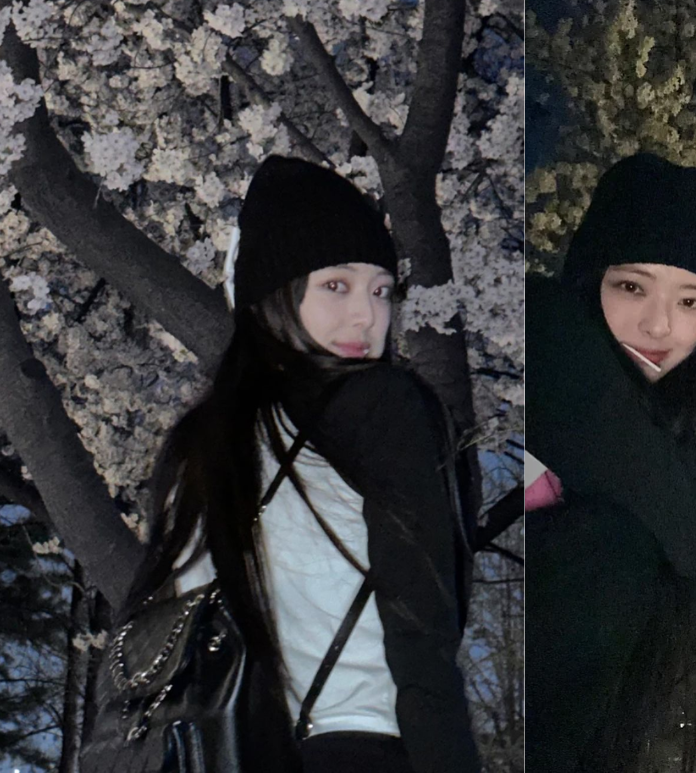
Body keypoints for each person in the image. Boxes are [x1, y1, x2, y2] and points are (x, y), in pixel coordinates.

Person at [125, 155, 481, 773]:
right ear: (277, 294)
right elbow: (421, 639)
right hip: (363, 747)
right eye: (336, 286)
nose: (366, 317)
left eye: (381, 290)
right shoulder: (385, 408)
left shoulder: (195, 446)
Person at [525, 152, 696, 773]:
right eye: (631, 286)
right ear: (592, 276)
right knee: (614, 545)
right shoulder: (548, 330)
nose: (659, 325)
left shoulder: (689, 405)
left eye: (692, 302)